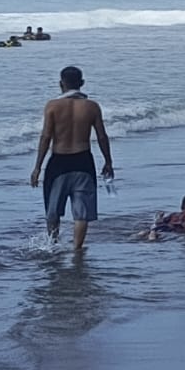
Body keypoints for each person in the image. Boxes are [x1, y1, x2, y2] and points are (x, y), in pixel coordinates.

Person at [29, 66, 113, 253]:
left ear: (61, 84)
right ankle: (77, 250)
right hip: (83, 161)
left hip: (59, 162)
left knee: (53, 211)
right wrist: (108, 162)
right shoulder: (92, 106)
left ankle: (53, 245)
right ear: (82, 83)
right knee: (81, 212)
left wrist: (37, 168)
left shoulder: (52, 106)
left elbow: (45, 137)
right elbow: (102, 136)